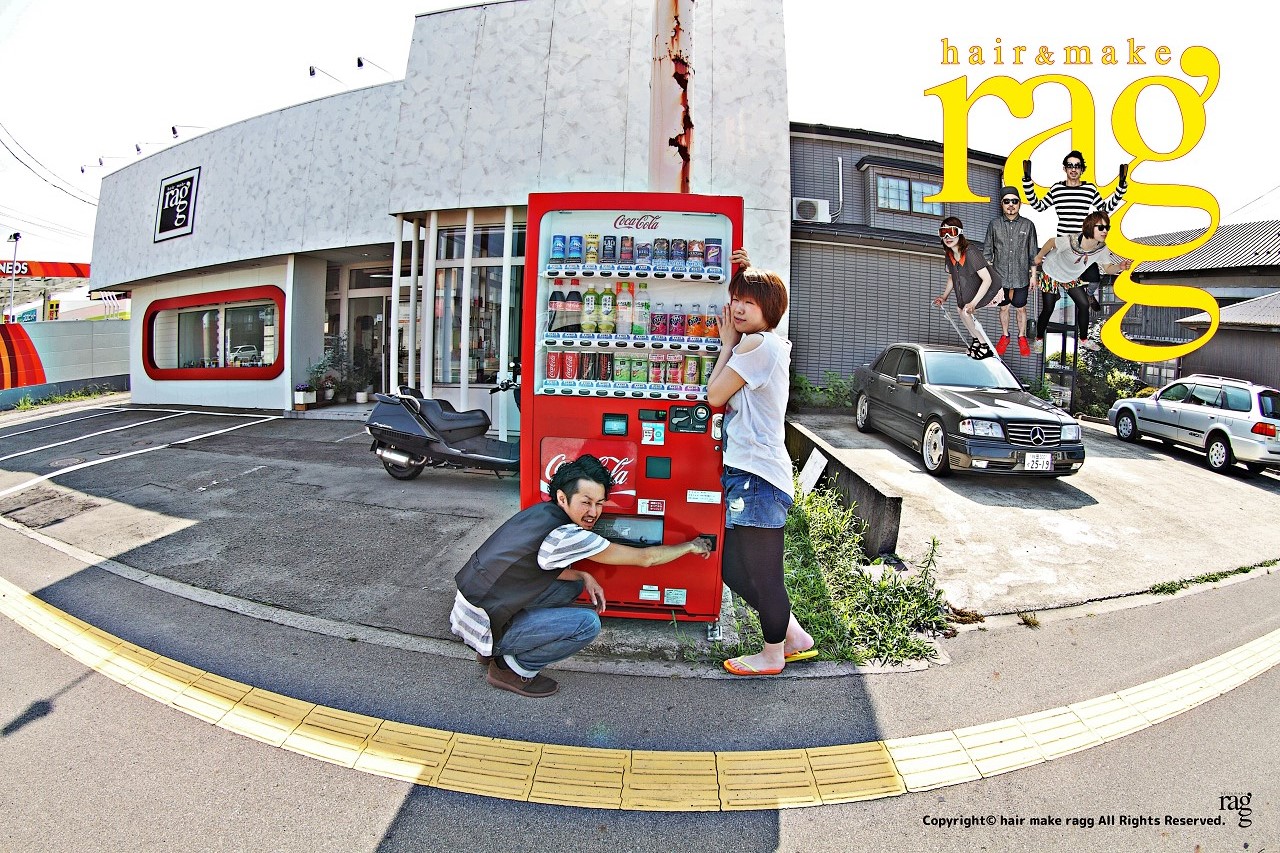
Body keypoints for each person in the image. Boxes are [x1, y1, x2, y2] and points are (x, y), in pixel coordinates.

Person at [450, 454, 712, 697]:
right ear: (563, 498)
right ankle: (512, 669)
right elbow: (646, 559)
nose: (594, 512)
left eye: (599, 503)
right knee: (588, 624)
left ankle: (490, 651)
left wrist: (584, 575)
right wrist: (690, 546)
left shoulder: (540, 513)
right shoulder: (567, 535)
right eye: (586, 502)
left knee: (572, 586)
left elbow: (536, 564)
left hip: (470, 610)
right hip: (484, 625)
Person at [706, 248, 815, 676]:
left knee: (763, 574)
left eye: (749, 303)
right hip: (749, 475)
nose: (737, 308)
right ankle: (794, 637)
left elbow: (715, 396)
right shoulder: (764, 344)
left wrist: (727, 346)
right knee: (734, 568)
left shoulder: (754, 344)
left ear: (768, 310)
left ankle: (772, 655)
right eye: (735, 299)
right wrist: (747, 270)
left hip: (757, 477)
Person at [1022, 151, 1128, 311]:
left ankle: (1089, 294)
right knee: (1058, 275)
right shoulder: (1057, 189)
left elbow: (1105, 209)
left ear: (1082, 169)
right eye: (1070, 165)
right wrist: (1027, 181)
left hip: (1083, 244)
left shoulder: (1089, 189)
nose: (1073, 169)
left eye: (1077, 166)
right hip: (1063, 245)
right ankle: (1057, 293)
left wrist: (1121, 186)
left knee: (1094, 278)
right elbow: (1039, 206)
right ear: (1064, 168)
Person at [1031, 211, 1131, 353]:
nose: (1105, 231)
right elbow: (1052, 241)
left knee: (1084, 304)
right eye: (1101, 227)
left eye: (1107, 228)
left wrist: (1119, 267)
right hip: (1052, 272)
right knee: (1048, 308)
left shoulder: (1101, 248)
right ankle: (1039, 338)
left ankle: (1083, 339)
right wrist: (1039, 256)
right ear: (1090, 226)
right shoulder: (1071, 241)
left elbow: (1108, 268)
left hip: (1070, 277)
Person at [931, 216, 1001, 358]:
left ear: (959, 233)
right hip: (976, 286)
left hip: (992, 287)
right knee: (960, 309)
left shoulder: (970, 252)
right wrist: (944, 297)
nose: (947, 237)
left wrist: (973, 303)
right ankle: (976, 340)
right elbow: (951, 276)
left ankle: (985, 346)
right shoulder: (949, 254)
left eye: (951, 232)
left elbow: (987, 279)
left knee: (966, 311)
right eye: (943, 232)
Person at [983, 188, 1039, 357]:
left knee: (1021, 308)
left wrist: (1033, 276)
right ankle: (1005, 336)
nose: (1011, 205)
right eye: (1007, 201)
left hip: (1021, 276)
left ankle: (1021, 337)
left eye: (1014, 201)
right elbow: (987, 253)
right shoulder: (994, 225)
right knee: (1004, 308)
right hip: (1000, 276)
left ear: (1019, 204)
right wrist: (988, 278)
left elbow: (1033, 253)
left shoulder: (1028, 225)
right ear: (1002, 204)